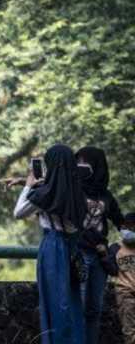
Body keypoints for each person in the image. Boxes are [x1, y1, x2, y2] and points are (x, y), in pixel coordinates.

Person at [13, 144, 86, 344]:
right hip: (73, 247)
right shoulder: (78, 191)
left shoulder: (44, 194)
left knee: (54, 301)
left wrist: (28, 184)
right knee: (71, 302)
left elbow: (19, 212)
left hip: (53, 248)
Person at [73, 146, 123, 344]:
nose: (80, 166)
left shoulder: (106, 196)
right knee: (80, 306)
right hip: (79, 255)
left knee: (95, 310)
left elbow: (120, 221)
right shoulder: (73, 190)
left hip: (100, 259)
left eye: (85, 161)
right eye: (78, 161)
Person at [102, 212, 135, 342]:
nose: (129, 230)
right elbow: (113, 271)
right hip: (125, 293)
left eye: (133, 227)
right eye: (127, 227)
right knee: (130, 331)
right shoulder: (116, 248)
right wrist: (104, 256)